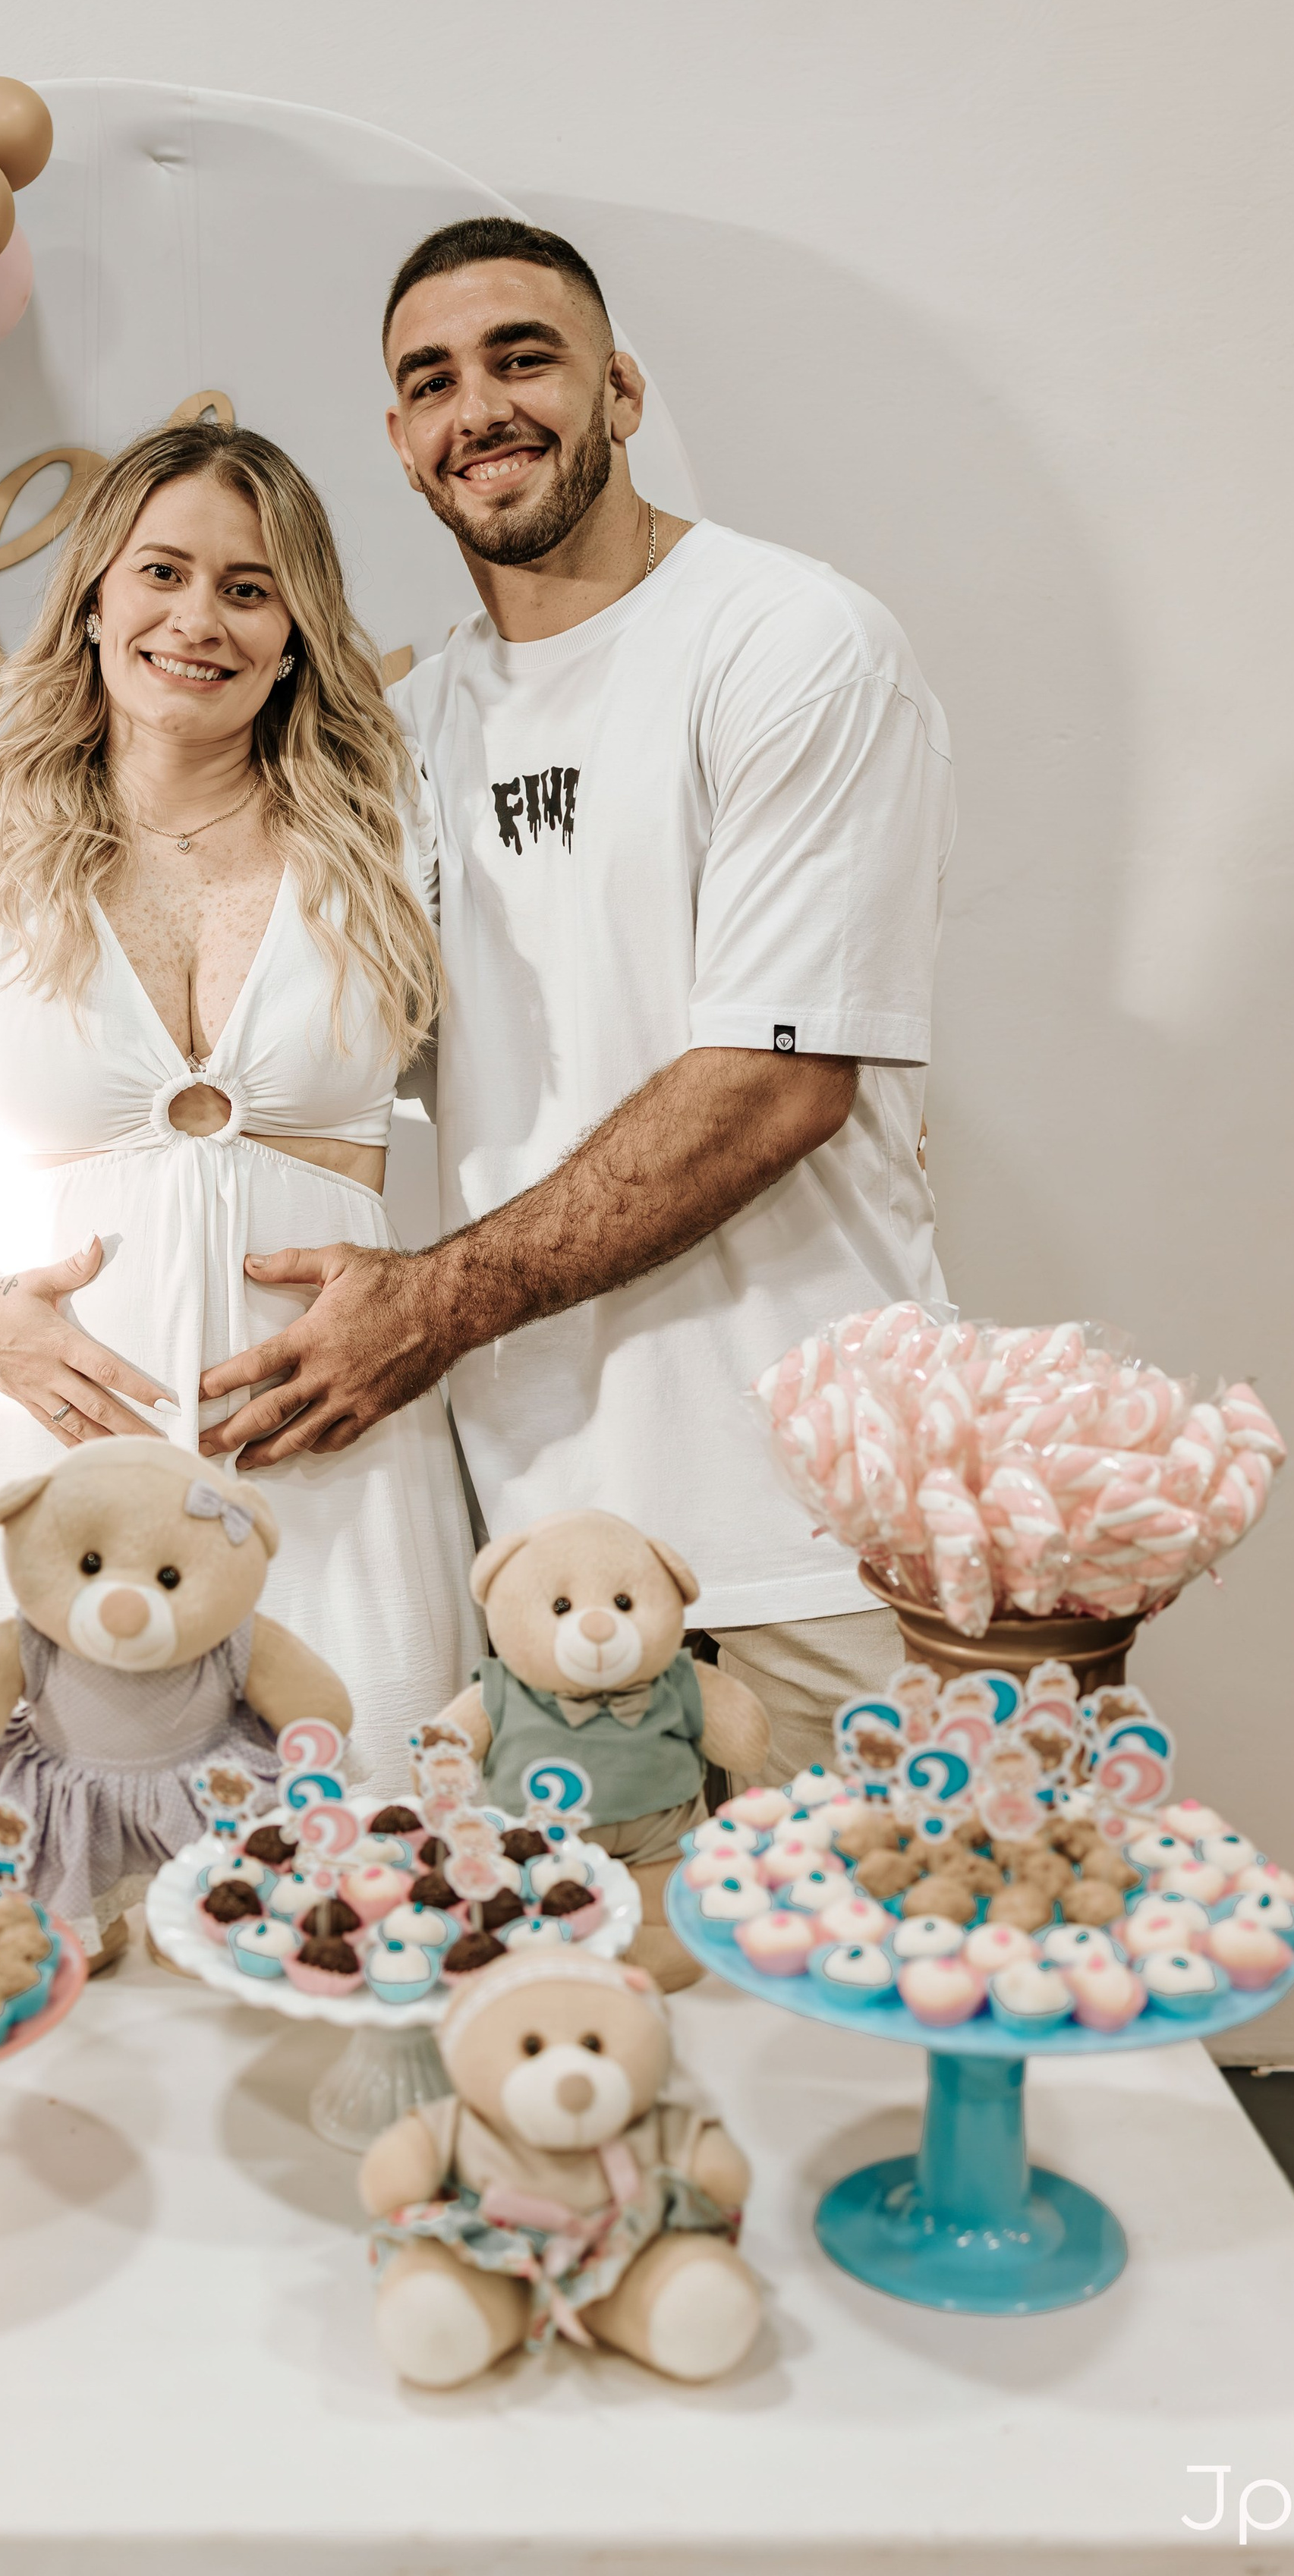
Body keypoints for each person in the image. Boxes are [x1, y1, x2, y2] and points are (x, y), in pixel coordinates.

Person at [199, 221, 956, 1782]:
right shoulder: (405, 729)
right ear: (400, 444)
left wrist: (425, 1304)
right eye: (431, 380)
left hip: (797, 1530)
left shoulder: (786, 643)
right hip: (535, 1553)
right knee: (586, 2015)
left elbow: (773, 1084)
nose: (478, 405)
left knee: (856, 2007)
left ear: (617, 390)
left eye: (521, 357)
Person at [0, 418, 479, 1879]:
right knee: (14, 1915)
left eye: (249, 588)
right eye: (163, 572)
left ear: (298, 628)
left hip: (328, 1444)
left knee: (358, 1878)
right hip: (31, 1455)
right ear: (97, 599)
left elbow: (513, 1116)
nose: (199, 620)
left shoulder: (396, 843)